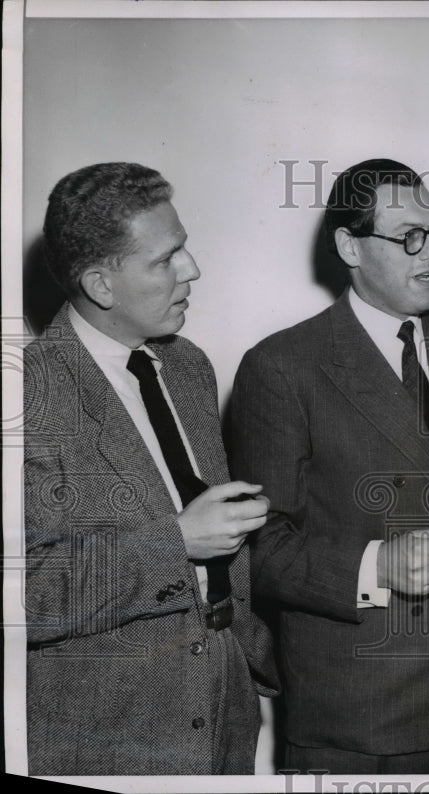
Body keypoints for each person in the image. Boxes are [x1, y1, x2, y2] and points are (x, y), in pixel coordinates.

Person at [228, 158, 429, 774]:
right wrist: (377, 566)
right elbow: (260, 550)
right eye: (408, 237)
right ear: (350, 245)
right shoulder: (282, 366)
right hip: (364, 717)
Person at [23, 162, 278, 775]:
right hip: (109, 734)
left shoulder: (187, 366)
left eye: (184, 247)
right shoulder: (26, 393)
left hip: (224, 706)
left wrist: (247, 655)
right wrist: (177, 542)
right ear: (101, 285)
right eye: (166, 259)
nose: (192, 269)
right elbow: (22, 594)